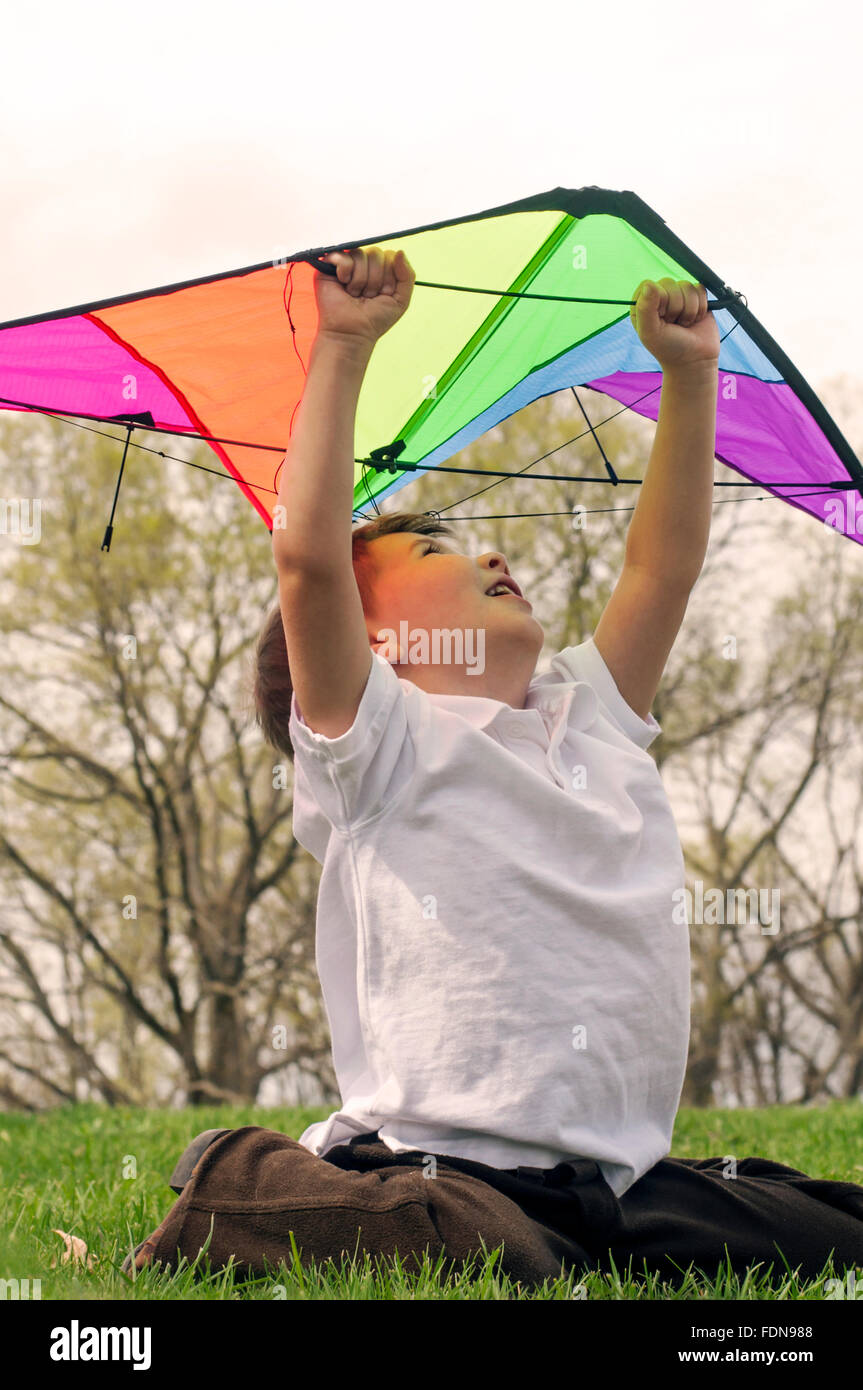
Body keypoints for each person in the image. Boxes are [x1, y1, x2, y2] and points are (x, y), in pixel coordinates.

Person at [122, 246, 863, 1289]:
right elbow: (307, 556)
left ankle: (548, 1232)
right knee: (471, 1243)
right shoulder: (379, 744)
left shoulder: (590, 719)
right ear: (373, 646)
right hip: (440, 1173)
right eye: (436, 552)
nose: (486, 556)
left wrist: (687, 376)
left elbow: (662, 561)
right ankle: (242, 1180)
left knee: (828, 1235)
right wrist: (342, 344)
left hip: (614, 1188)